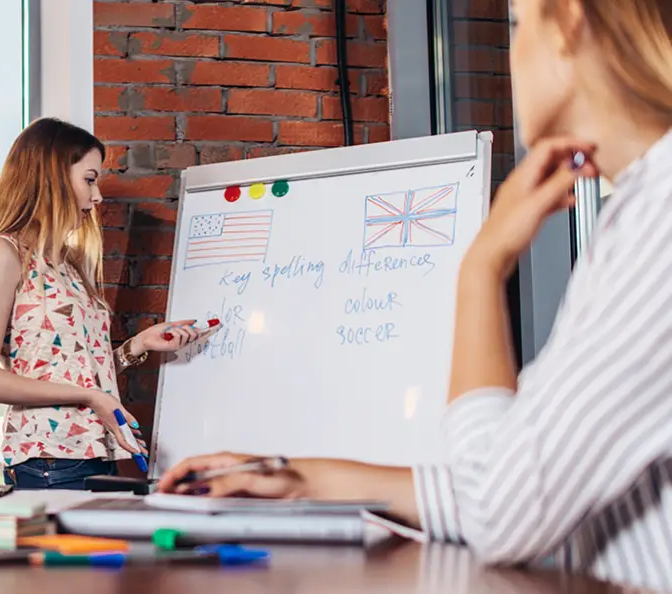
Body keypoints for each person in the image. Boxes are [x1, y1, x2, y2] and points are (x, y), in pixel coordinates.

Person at [158, 0, 672, 589]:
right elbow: (515, 479)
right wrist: (299, 477)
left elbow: (498, 512)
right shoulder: (641, 212)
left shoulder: (659, 222)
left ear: (570, 23)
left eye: (517, 24)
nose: (512, 53)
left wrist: (480, 267)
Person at [0, 118, 200, 490]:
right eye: (89, 179)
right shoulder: (4, 254)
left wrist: (136, 347)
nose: (98, 195)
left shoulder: (70, 264)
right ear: (52, 177)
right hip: (48, 462)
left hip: (98, 456)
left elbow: (73, 368)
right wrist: (90, 396)